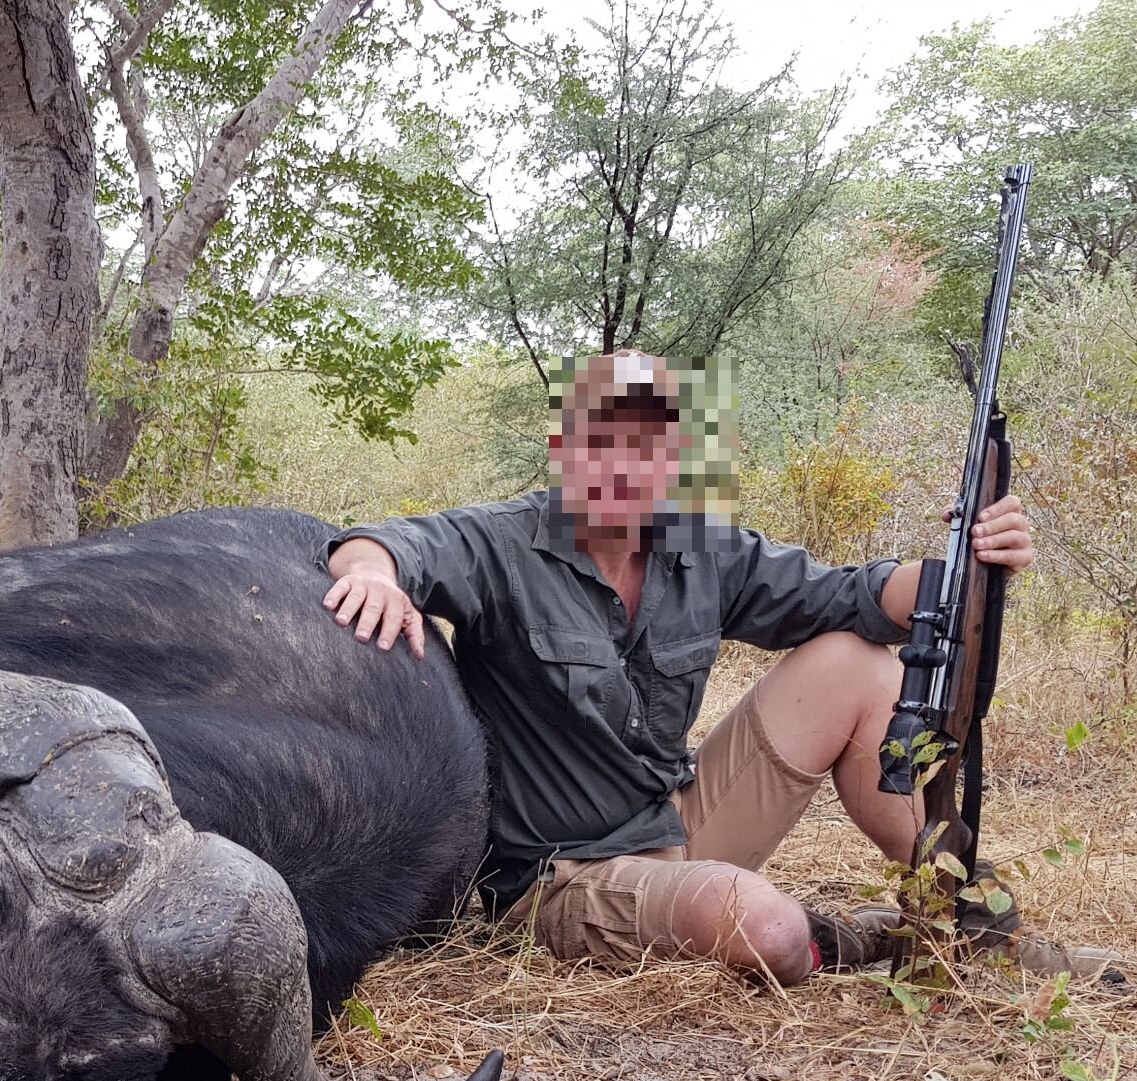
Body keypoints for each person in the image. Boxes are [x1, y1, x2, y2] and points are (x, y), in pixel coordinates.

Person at [317, 351, 1037, 984]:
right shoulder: (501, 543)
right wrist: (375, 578)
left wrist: (968, 559)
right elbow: (381, 546)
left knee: (856, 662)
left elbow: (853, 598)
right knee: (772, 932)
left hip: (678, 825)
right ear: (562, 447)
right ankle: (833, 939)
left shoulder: (700, 546)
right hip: (564, 880)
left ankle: (959, 917)